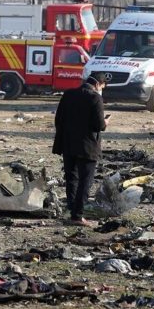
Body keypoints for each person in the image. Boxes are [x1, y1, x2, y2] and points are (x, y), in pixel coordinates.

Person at [53, 73, 109, 227]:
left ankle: (71, 211)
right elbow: (99, 125)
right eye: (103, 86)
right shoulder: (95, 98)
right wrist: (106, 122)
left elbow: (58, 119)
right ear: (98, 84)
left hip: (68, 144)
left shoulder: (68, 94)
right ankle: (77, 216)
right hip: (88, 147)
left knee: (71, 178)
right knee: (86, 181)